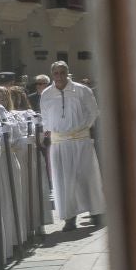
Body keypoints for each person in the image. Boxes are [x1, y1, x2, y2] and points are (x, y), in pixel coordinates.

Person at [39, 61, 105, 229]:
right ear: (52, 75)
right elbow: (45, 117)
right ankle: (69, 217)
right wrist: (49, 131)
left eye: (62, 73)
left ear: (67, 73)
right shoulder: (46, 94)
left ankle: (96, 212)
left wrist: (83, 127)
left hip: (80, 140)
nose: (59, 76)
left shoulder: (82, 90)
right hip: (59, 142)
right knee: (63, 179)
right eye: (56, 73)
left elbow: (93, 111)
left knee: (87, 176)